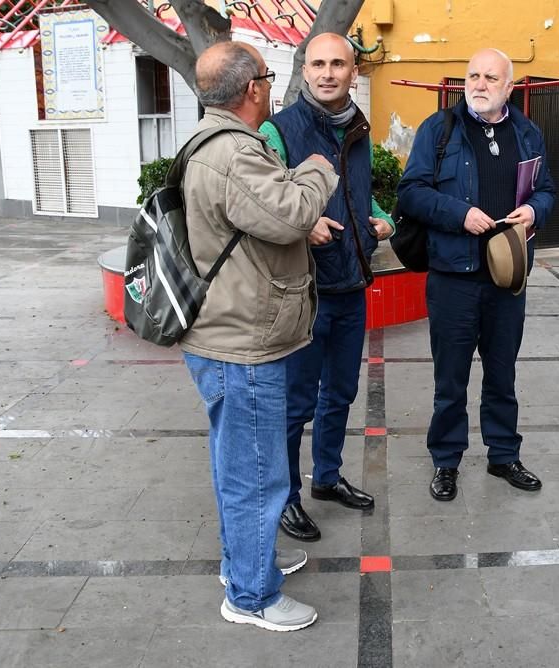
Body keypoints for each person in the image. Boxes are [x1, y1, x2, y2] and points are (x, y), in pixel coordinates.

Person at [180, 41, 338, 631]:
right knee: (257, 473)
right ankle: (253, 597)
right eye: (268, 79)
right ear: (253, 89)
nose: (271, 87)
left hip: (227, 335)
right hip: (241, 345)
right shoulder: (232, 154)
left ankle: (244, 563)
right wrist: (318, 168)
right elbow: (292, 212)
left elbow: (263, 218)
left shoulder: (209, 142)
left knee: (236, 467)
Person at [396, 48, 555, 502]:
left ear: (509, 86)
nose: (479, 84)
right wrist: (459, 214)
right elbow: (411, 193)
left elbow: (546, 189)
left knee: (503, 373)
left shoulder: (527, 133)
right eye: (473, 76)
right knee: (451, 379)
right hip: (453, 276)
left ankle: (504, 454)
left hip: (508, 277)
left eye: (490, 77)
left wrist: (535, 210)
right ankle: (446, 460)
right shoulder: (440, 129)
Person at [261, 33, 390, 542]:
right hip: (304, 291)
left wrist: (383, 221)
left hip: (352, 285)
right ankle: (287, 496)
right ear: (305, 69)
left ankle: (328, 478)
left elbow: (361, 198)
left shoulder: (358, 127)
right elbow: (264, 202)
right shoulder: (279, 130)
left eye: (338, 64)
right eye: (317, 64)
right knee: (296, 403)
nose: (327, 73)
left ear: (353, 72)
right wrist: (301, 222)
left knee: (341, 392)